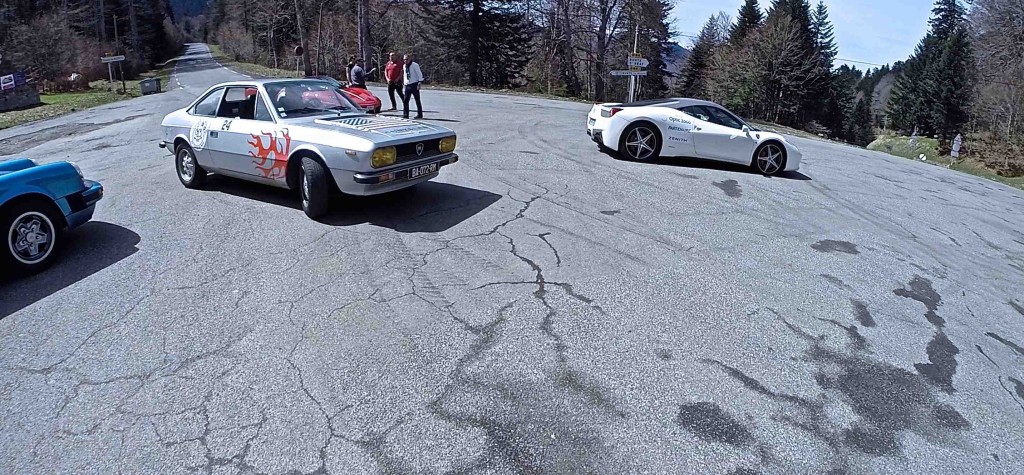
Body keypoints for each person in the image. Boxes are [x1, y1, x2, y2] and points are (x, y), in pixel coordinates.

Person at [402, 54, 424, 119]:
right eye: (404, 59)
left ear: (410, 59)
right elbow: (405, 75)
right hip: (407, 85)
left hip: (414, 84)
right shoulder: (404, 66)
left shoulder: (415, 65)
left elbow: (419, 74)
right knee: (405, 100)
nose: (405, 61)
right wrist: (404, 83)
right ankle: (406, 114)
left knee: (417, 100)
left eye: (406, 59)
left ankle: (420, 114)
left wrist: (419, 82)